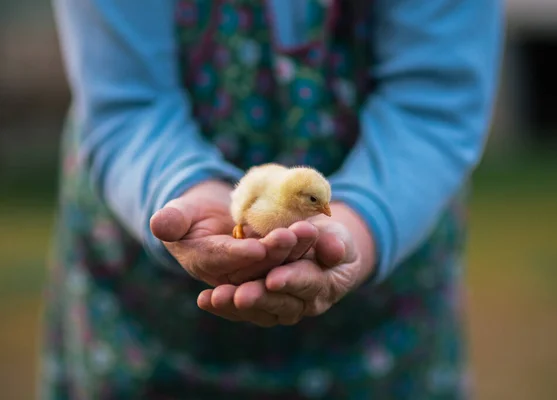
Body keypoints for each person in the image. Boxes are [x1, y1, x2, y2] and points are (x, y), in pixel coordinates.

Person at [42, 0, 502, 398]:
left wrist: (360, 223)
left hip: (384, 319)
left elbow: (435, 102)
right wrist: (184, 189)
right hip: (147, 315)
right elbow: (128, 99)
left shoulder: (304, 208)